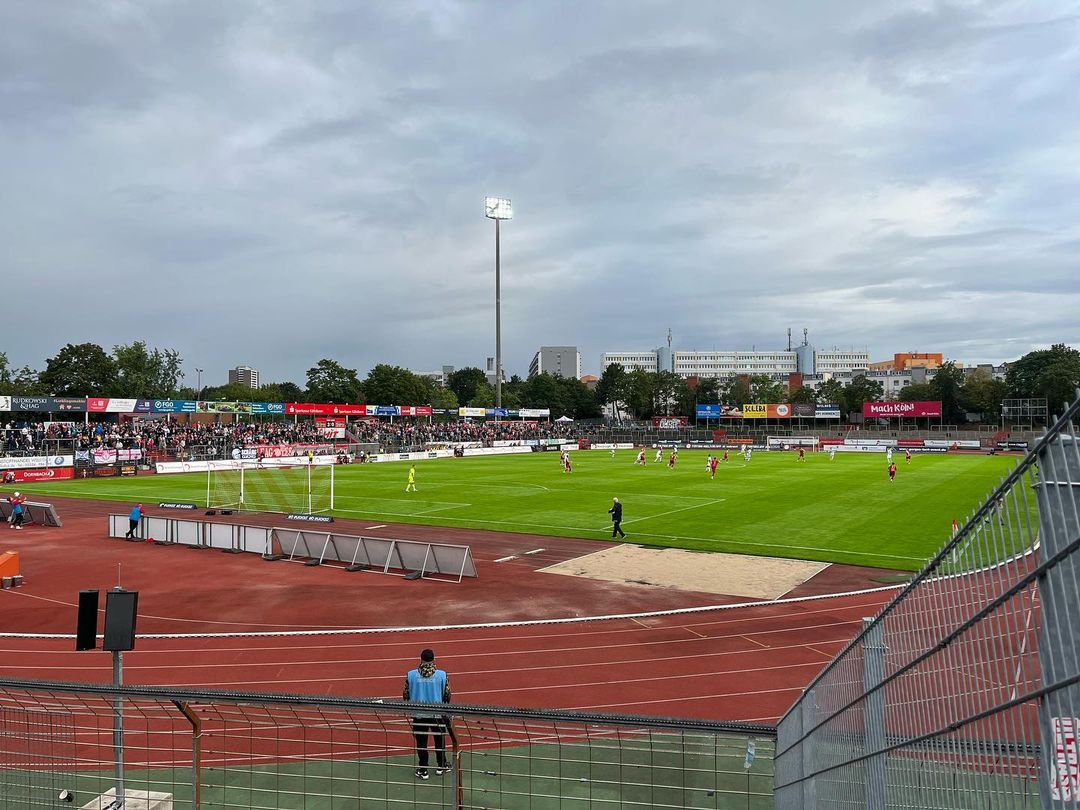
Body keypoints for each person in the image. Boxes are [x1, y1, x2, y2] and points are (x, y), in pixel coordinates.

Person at [403, 649, 452, 780]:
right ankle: (442, 765)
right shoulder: (442, 675)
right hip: (437, 714)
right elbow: (447, 695)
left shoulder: (411, 675)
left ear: (421, 659)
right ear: (433, 659)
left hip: (419, 714)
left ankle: (423, 769)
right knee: (439, 740)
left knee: (421, 742)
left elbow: (405, 695)